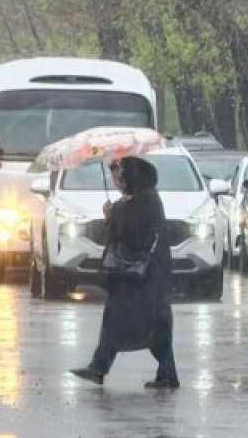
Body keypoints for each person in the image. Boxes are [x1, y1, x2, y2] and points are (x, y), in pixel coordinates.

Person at [70, 156, 178, 388]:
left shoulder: (146, 202)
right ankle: (103, 367)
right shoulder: (133, 202)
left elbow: (133, 235)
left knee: (140, 324)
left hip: (143, 277)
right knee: (136, 323)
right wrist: (112, 216)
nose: (117, 179)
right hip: (132, 278)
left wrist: (113, 216)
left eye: (120, 174)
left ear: (132, 177)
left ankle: (102, 367)